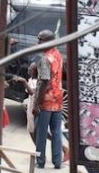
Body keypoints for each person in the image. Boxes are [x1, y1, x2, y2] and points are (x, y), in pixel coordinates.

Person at [33, 30, 64, 169]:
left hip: (45, 101)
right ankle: (57, 162)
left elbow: (44, 81)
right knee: (57, 131)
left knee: (41, 132)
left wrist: (36, 103)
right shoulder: (57, 54)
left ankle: (40, 161)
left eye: (40, 39)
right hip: (58, 100)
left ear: (48, 41)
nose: (37, 42)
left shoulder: (45, 59)